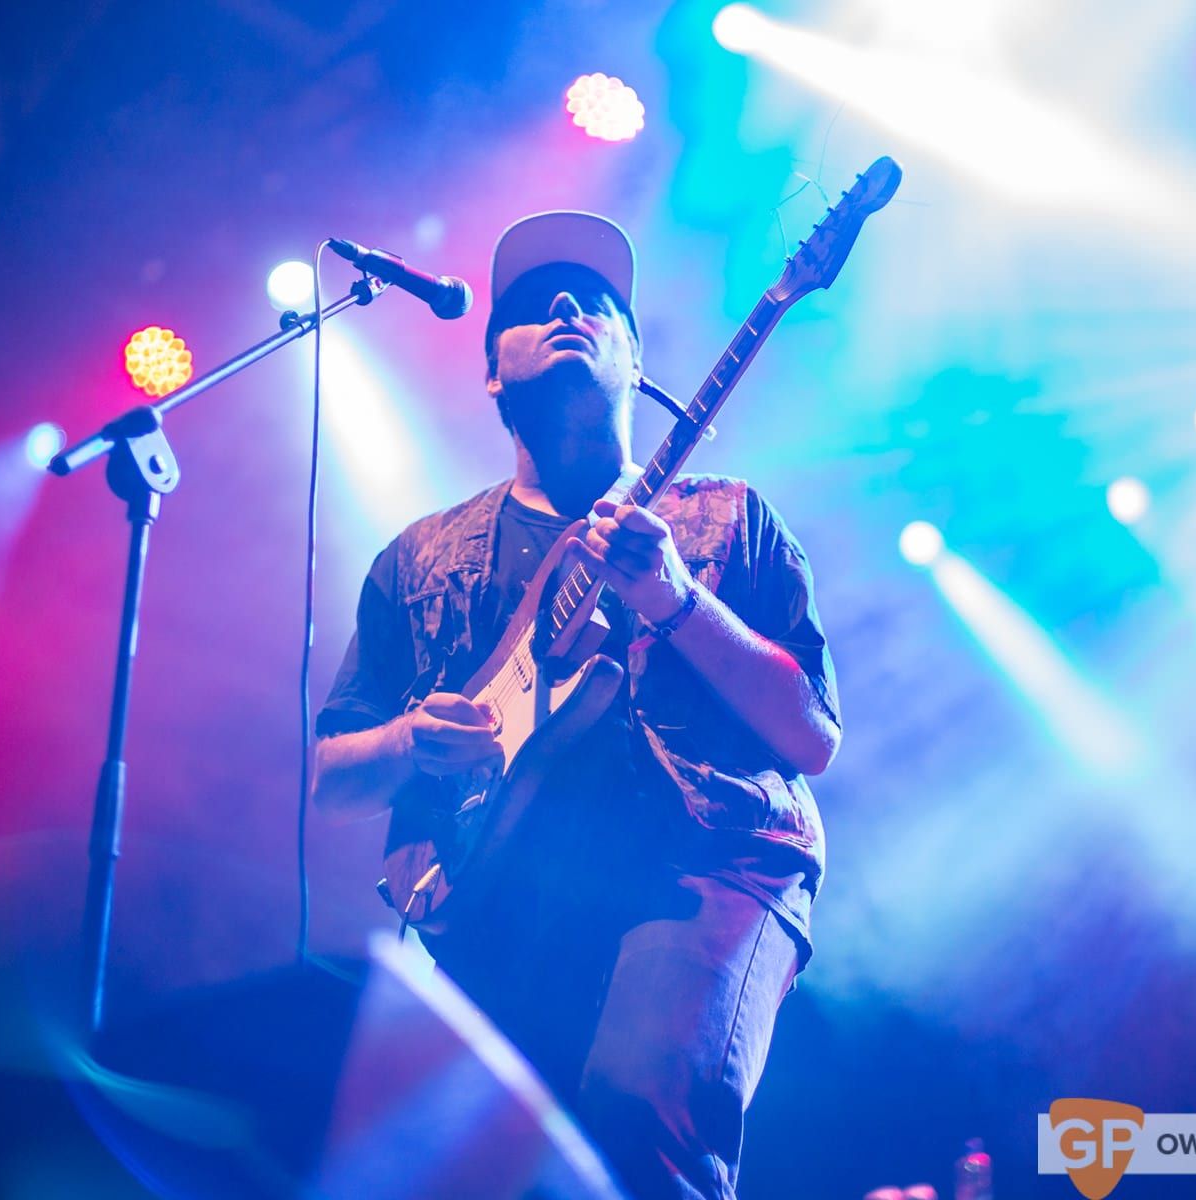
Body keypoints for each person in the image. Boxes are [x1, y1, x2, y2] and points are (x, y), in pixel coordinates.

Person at [313, 211, 839, 1199]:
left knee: (636, 1122)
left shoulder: (727, 518)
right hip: (498, 890)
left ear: (637, 363)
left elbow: (810, 734)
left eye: (598, 303)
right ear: (490, 374)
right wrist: (413, 742)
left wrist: (678, 598)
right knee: (465, 1168)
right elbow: (333, 775)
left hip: (707, 858)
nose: (567, 306)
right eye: (529, 305)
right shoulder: (420, 560)